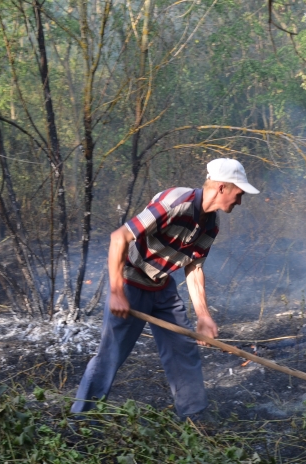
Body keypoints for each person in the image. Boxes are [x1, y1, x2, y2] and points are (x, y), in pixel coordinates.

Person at [70, 158, 259, 417]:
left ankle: (194, 421)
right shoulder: (175, 202)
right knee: (110, 356)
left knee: (183, 350)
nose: (239, 201)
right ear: (222, 188)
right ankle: (81, 418)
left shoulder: (211, 225)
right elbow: (119, 237)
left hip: (162, 289)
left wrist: (203, 315)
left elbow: (194, 269)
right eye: (239, 194)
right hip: (130, 284)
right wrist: (116, 292)